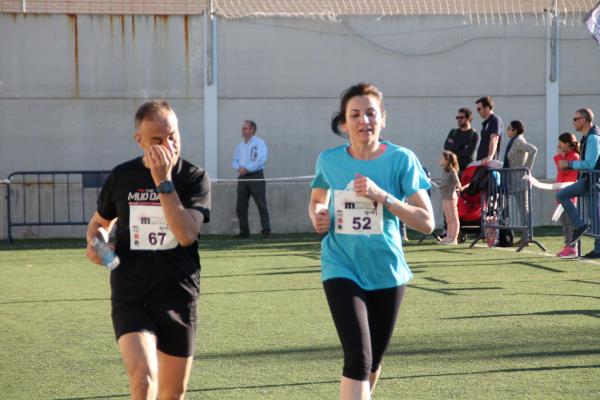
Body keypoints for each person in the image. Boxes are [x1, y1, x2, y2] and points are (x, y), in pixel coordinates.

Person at [308, 83, 434, 400]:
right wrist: (318, 215)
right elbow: (316, 200)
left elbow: (427, 222)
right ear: (344, 123)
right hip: (340, 265)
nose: (364, 120)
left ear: (383, 119)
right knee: (358, 358)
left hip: (386, 270)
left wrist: (383, 195)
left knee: (372, 362)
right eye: (356, 114)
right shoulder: (329, 160)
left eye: (370, 113)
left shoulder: (401, 160)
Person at [86, 100, 211, 399]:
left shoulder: (194, 178)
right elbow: (98, 224)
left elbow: (186, 235)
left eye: (173, 136)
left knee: (172, 394)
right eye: (157, 140)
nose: (168, 145)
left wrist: (163, 181)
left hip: (178, 296)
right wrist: (98, 243)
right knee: (143, 381)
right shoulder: (122, 176)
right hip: (132, 296)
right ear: (139, 140)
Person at [557, 108, 600, 258]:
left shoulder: (593, 138)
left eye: (575, 119)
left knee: (595, 217)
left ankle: (598, 249)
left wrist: (569, 164)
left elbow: (589, 164)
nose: (573, 122)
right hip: (588, 181)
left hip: (594, 181)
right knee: (562, 195)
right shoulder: (587, 137)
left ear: (584, 120)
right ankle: (580, 225)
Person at [232, 120, 271, 238]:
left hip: (256, 176)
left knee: (261, 205)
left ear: (252, 130)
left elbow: (261, 160)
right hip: (242, 178)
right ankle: (244, 232)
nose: (243, 130)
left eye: (245, 128)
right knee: (241, 206)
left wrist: (247, 169)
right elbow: (234, 160)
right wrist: (239, 168)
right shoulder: (240, 145)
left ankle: (266, 231)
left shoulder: (259, 143)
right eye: (243, 128)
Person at [502, 120, 538, 247]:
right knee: (520, 208)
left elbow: (533, 150)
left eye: (509, 128)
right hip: (513, 179)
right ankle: (524, 236)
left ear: (515, 130)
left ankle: (526, 236)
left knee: (524, 209)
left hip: (519, 179)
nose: (507, 130)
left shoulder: (519, 141)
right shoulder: (514, 141)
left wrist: (526, 168)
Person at [554, 132, 580, 258]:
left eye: (560, 143)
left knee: (570, 222)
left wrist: (560, 156)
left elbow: (562, 170)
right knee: (564, 222)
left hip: (569, 192)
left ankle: (572, 247)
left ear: (566, 144)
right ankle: (568, 245)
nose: (558, 145)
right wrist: (561, 156)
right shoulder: (566, 156)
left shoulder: (574, 156)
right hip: (562, 192)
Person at [443, 107, 479, 174]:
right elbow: (446, 147)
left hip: (467, 170)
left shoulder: (474, 135)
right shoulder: (453, 132)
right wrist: (462, 146)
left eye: (461, 117)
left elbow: (468, 153)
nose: (459, 120)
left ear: (468, 119)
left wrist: (453, 147)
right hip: (453, 169)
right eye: (457, 117)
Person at [438, 150, 461, 245]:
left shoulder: (452, 171)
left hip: (451, 198)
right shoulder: (445, 170)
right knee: (448, 219)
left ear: (447, 160)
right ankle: (449, 237)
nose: (440, 160)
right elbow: (444, 182)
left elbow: (457, 183)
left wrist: (458, 187)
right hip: (445, 197)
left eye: (442, 159)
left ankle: (454, 238)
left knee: (453, 218)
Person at [475, 96, 503, 163]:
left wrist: (490, 156)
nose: (478, 112)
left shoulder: (495, 120)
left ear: (487, 108)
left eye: (479, 109)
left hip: (489, 163)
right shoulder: (486, 123)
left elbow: (494, 139)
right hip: (482, 161)